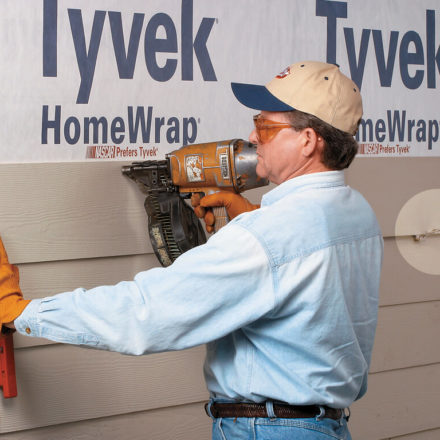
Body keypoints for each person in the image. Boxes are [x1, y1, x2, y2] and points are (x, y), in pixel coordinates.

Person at [0, 61, 383, 440]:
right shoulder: (358, 214)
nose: (252, 135)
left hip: (268, 430)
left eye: (266, 126)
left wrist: (25, 312)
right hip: (327, 427)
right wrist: (253, 218)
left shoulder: (266, 237)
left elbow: (146, 312)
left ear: (308, 140)